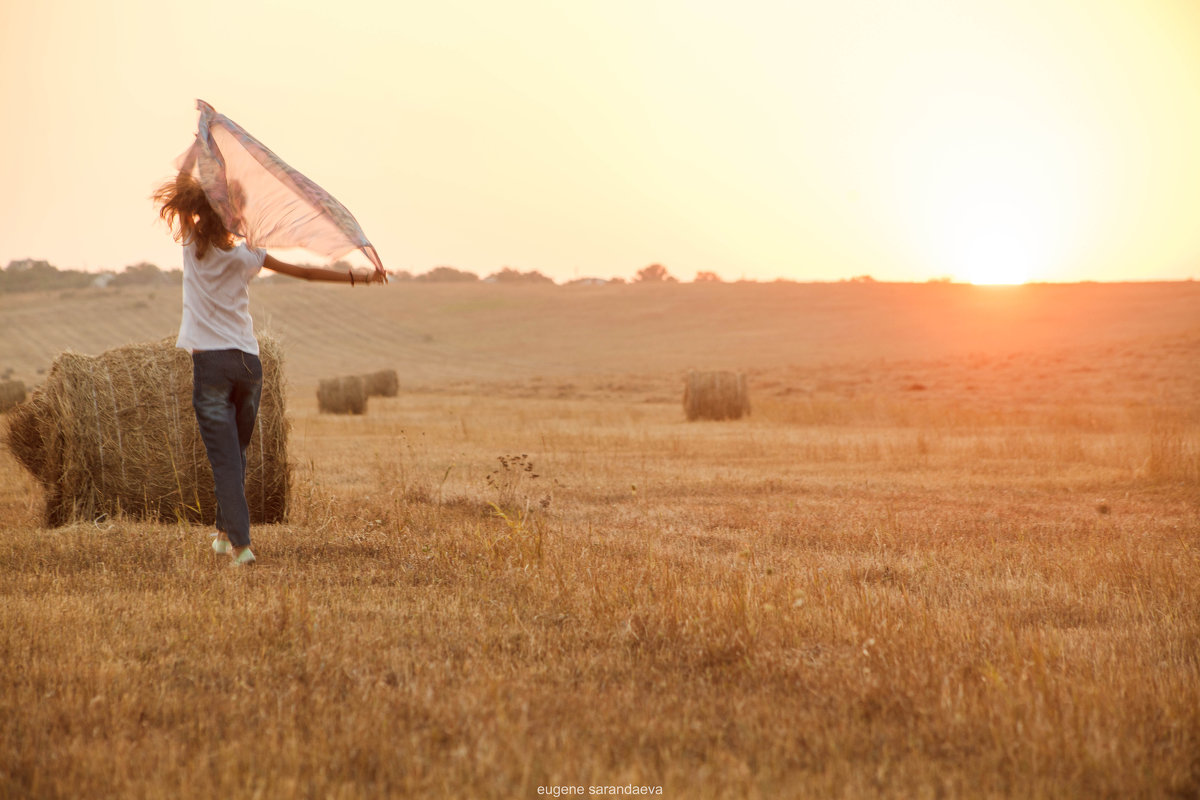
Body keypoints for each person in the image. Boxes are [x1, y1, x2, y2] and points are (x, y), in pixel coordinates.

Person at [153, 173, 383, 565]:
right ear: (236, 211)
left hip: (212, 365)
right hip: (248, 364)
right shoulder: (250, 253)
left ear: (198, 210)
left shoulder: (194, 247)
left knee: (225, 458)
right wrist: (359, 278)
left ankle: (241, 546)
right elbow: (307, 273)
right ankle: (224, 535)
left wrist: (198, 142)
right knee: (236, 454)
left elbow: (178, 187)